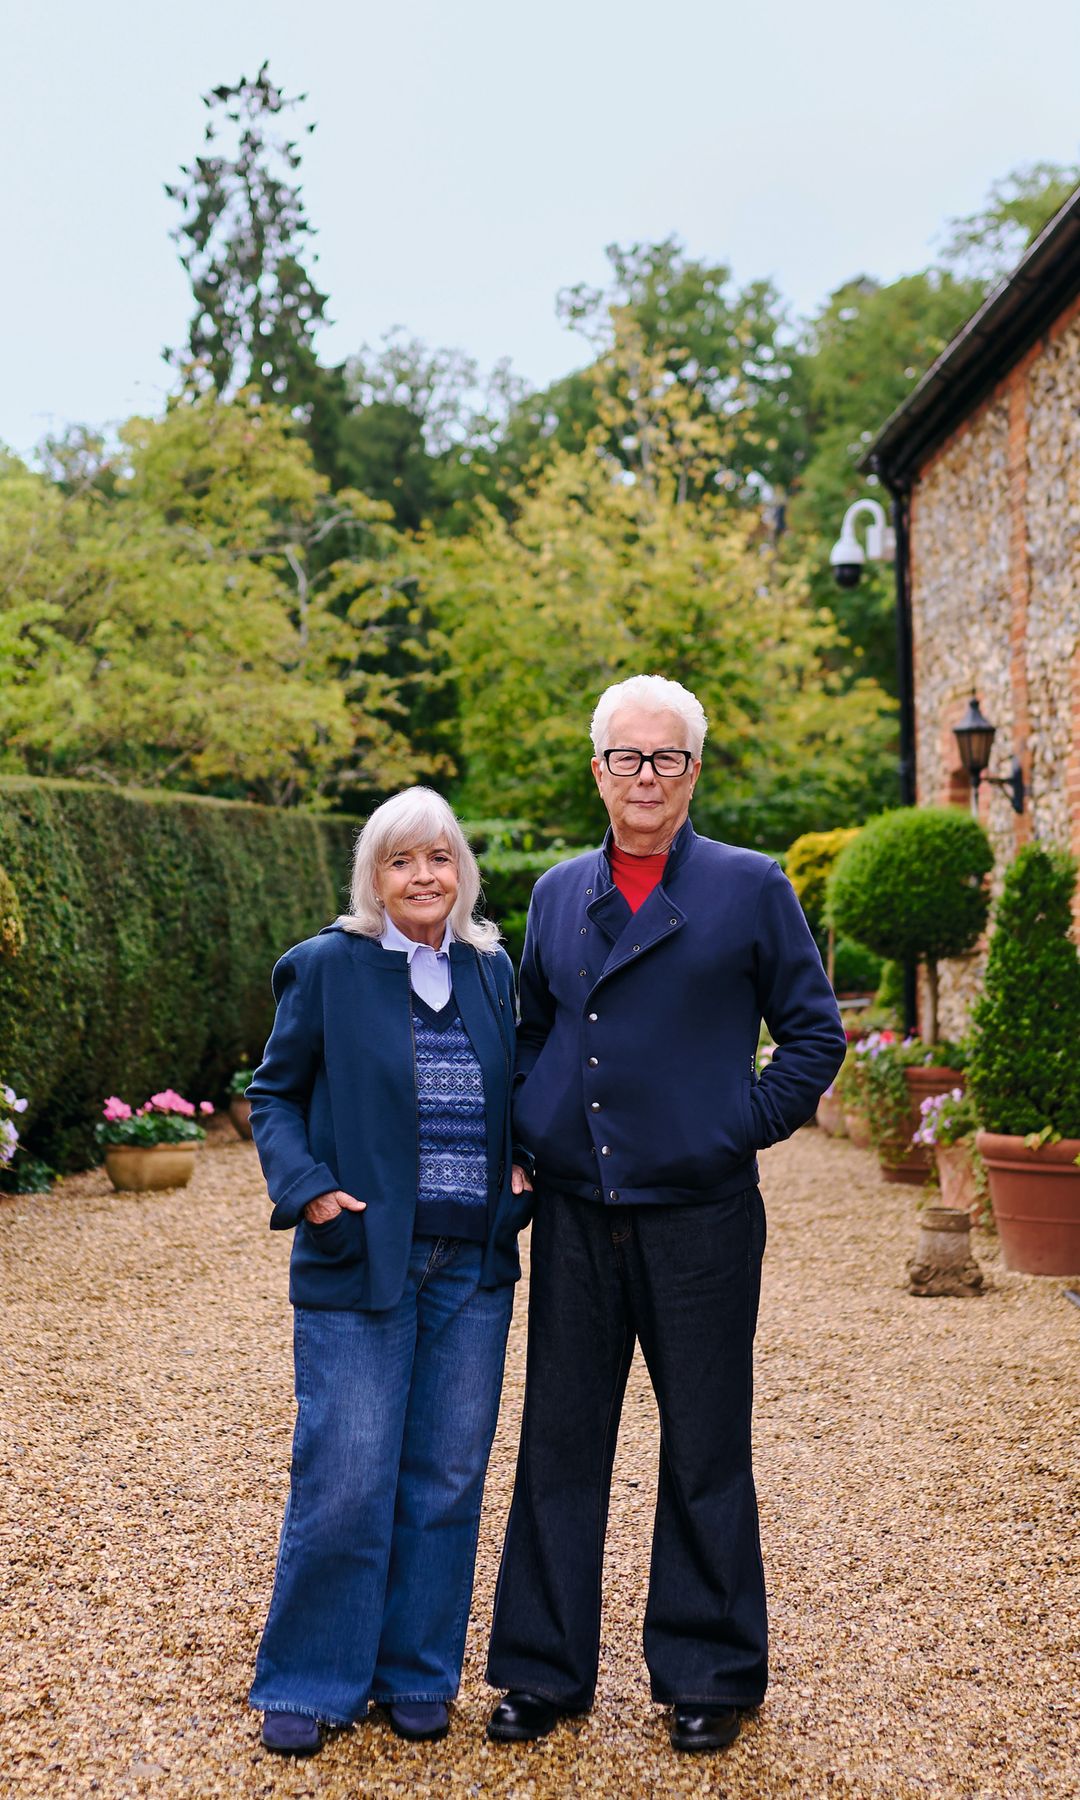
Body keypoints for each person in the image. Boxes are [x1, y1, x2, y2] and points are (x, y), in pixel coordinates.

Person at [486, 674, 846, 1756]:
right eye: (627, 758)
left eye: (667, 759)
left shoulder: (750, 886)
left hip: (702, 1216)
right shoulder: (555, 892)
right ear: (596, 769)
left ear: (694, 772)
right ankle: (544, 1672)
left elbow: (814, 1034)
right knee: (559, 1441)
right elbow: (535, 1028)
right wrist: (535, 1129)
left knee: (704, 1447)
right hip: (580, 1214)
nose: (646, 778)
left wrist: (735, 1124)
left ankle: (710, 1673)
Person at [247, 788, 532, 1757]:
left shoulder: (493, 972)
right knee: (345, 1477)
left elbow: (518, 1088)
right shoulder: (327, 967)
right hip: (360, 1254)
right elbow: (274, 1094)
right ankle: (313, 1678)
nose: (424, 877)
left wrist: (523, 1163)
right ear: (374, 877)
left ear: (462, 874)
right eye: (402, 861)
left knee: (447, 1479)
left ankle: (416, 1674)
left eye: (440, 859)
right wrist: (312, 1189)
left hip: (474, 1265)